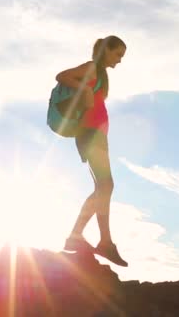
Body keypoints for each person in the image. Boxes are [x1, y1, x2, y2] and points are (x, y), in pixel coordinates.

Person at [55, 36, 128, 267]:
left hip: (96, 135)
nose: (119, 61)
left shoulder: (100, 74)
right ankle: (96, 241)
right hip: (89, 134)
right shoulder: (92, 68)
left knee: (102, 188)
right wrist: (83, 89)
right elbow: (62, 76)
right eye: (117, 54)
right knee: (106, 186)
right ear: (106, 51)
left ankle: (84, 239)